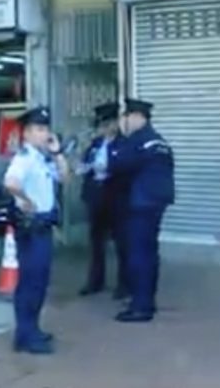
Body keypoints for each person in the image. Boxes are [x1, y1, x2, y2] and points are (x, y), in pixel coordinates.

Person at [3, 106, 69, 355]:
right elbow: (10, 182)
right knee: (31, 283)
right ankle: (26, 335)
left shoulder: (41, 158)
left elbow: (65, 179)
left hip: (43, 227)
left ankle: (31, 330)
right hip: (31, 228)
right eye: (39, 129)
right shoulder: (25, 157)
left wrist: (58, 153)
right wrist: (25, 200)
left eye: (46, 129)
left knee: (39, 282)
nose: (45, 133)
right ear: (28, 133)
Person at [108, 98, 175, 323]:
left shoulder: (138, 141)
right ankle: (146, 299)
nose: (124, 122)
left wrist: (116, 143)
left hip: (140, 204)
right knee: (150, 253)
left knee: (138, 254)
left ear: (137, 117)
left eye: (126, 117)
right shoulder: (159, 141)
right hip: (156, 203)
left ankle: (140, 306)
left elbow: (117, 165)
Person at [78, 102, 130, 299]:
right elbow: (86, 163)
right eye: (102, 125)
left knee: (121, 243)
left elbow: (125, 168)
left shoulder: (124, 143)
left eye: (109, 123)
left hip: (115, 198)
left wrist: (108, 168)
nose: (105, 128)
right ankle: (95, 281)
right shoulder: (96, 144)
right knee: (96, 243)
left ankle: (124, 284)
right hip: (96, 197)